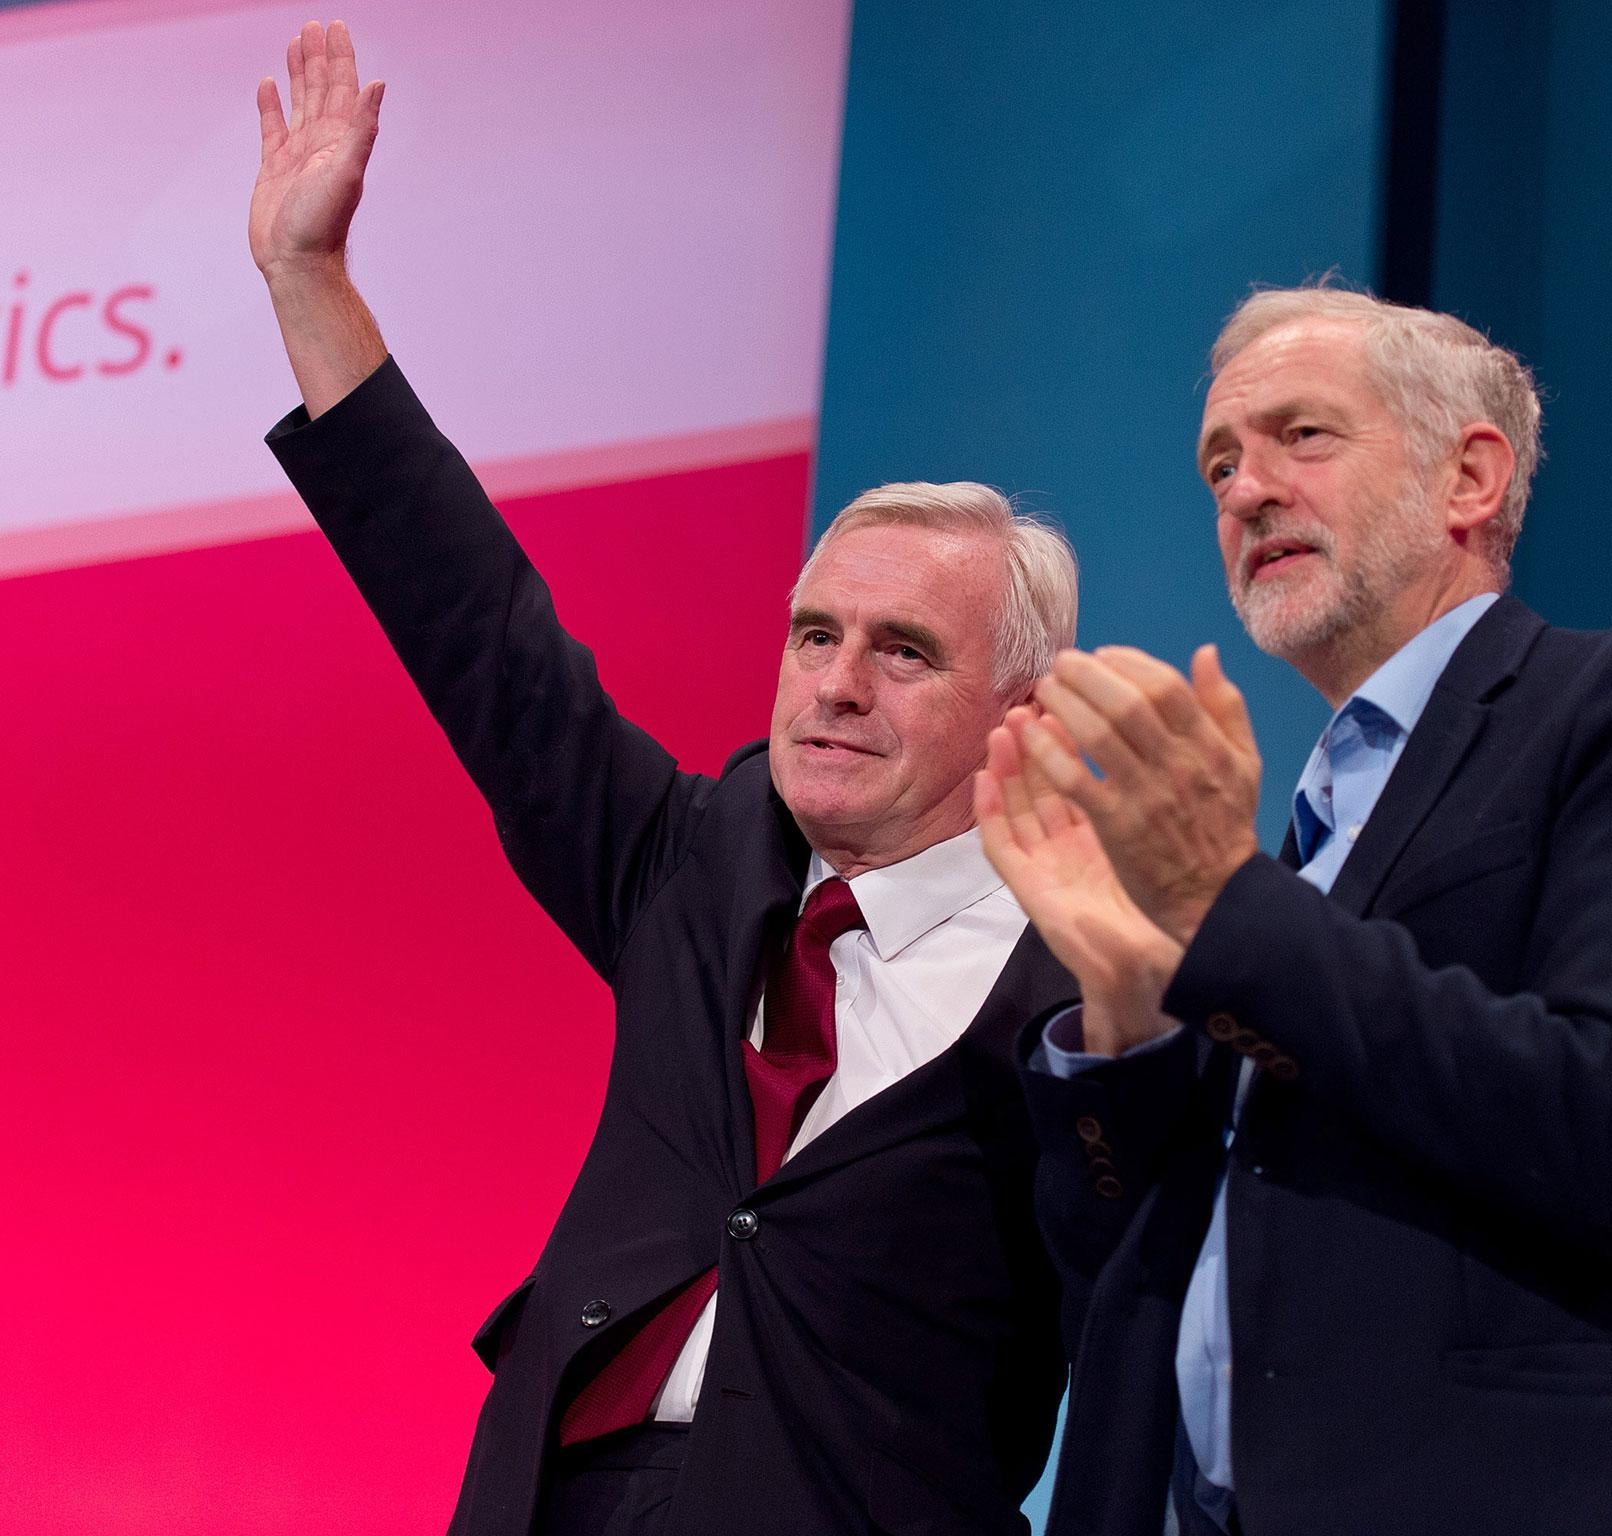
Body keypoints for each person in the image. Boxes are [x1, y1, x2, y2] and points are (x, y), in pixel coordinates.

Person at [248, 23, 1077, 1535]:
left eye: (901, 652)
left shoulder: (1087, 985)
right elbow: (478, 634)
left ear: (1015, 709)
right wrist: (311, 283)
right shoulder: (696, 871)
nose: (832, 681)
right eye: (813, 631)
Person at [975, 284, 1612, 1535]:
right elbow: (1118, 1275)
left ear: (1469, 477)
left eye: (1298, 437)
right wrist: (1124, 1008)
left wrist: (1227, 907)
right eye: (1218, 464)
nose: (1242, 491)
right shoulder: (1294, 847)